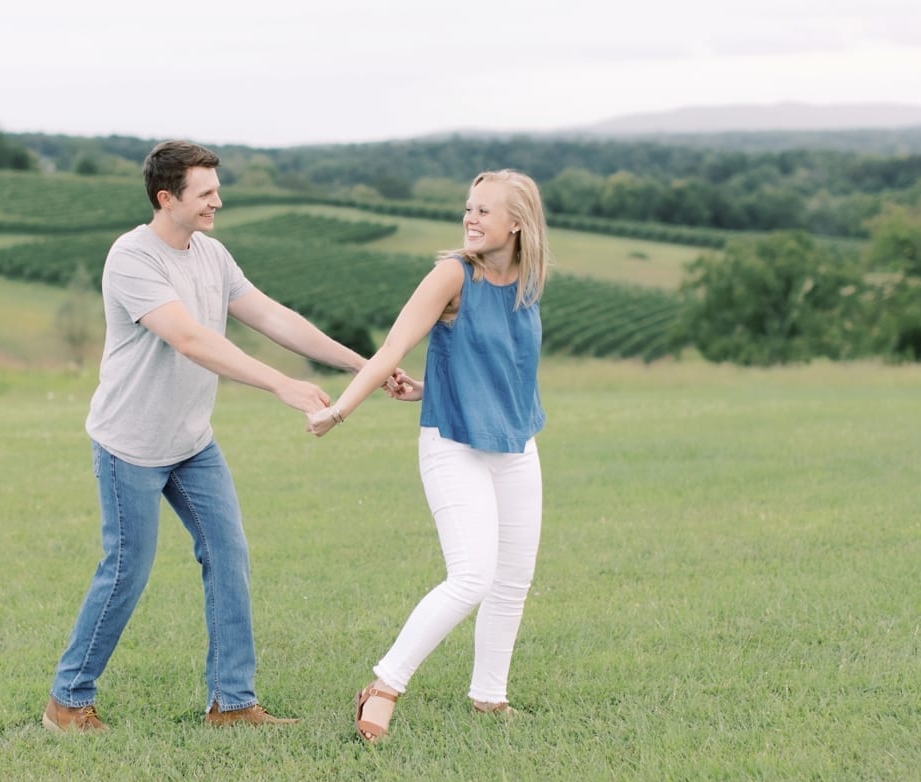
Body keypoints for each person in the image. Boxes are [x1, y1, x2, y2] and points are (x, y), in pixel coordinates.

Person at [46, 139, 376, 732]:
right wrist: (281, 385)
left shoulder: (212, 255)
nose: (217, 202)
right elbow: (192, 339)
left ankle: (231, 703)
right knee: (126, 570)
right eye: (205, 193)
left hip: (191, 441)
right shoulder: (132, 258)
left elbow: (275, 318)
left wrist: (364, 366)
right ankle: (67, 701)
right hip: (132, 444)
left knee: (228, 556)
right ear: (165, 197)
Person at [306, 169, 550, 743]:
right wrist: (340, 409)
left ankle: (490, 697)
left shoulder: (528, 277)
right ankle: (383, 686)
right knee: (472, 575)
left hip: (515, 443)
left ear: (517, 224)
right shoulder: (450, 274)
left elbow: (503, 361)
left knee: (513, 579)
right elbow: (394, 345)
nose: (470, 217)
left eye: (484, 210)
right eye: (469, 207)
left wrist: (431, 384)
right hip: (453, 444)